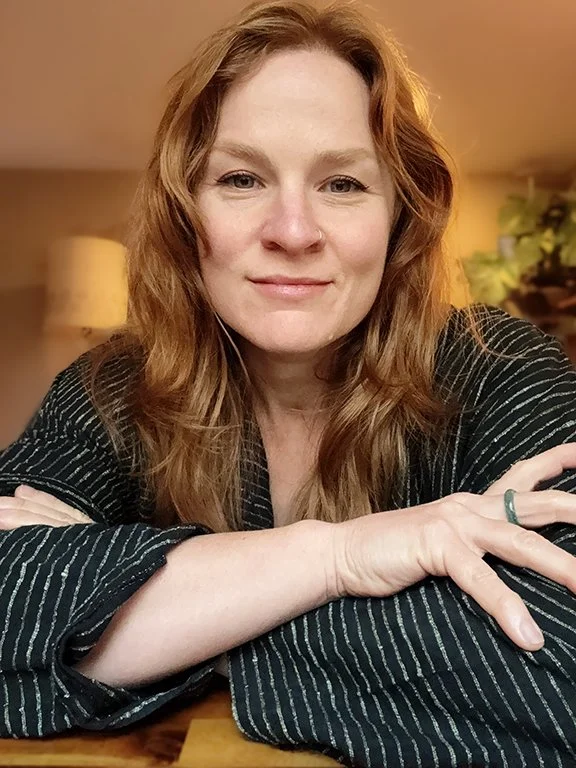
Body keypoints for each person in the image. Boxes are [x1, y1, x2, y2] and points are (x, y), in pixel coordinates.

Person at [0, 1, 575, 765]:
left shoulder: (501, 366)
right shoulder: (110, 386)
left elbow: (557, 667)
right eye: (241, 178)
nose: (294, 231)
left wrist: (154, 618)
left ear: (401, 215)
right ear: (185, 213)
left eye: (342, 184)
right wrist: (337, 557)